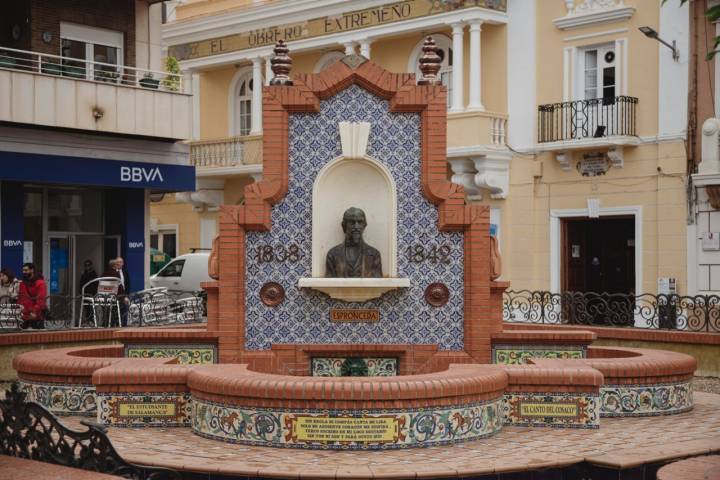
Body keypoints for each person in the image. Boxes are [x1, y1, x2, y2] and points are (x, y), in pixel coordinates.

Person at [325, 207, 383, 278]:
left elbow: (377, 284)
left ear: (364, 226)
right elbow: (330, 284)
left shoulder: (374, 255)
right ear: (344, 226)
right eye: (352, 222)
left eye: (360, 222)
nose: (356, 226)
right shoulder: (333, 254)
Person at [17, 263, 46, 329]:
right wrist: (18, 310)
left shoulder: (40, 283)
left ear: (32, 270)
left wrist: (35, 311)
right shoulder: (23, 283)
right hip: (24, 314)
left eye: (26, 270)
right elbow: (21, 297)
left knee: (37, 336)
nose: (24, 272)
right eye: (23, 270)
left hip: (36, 315)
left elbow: (41, 298)